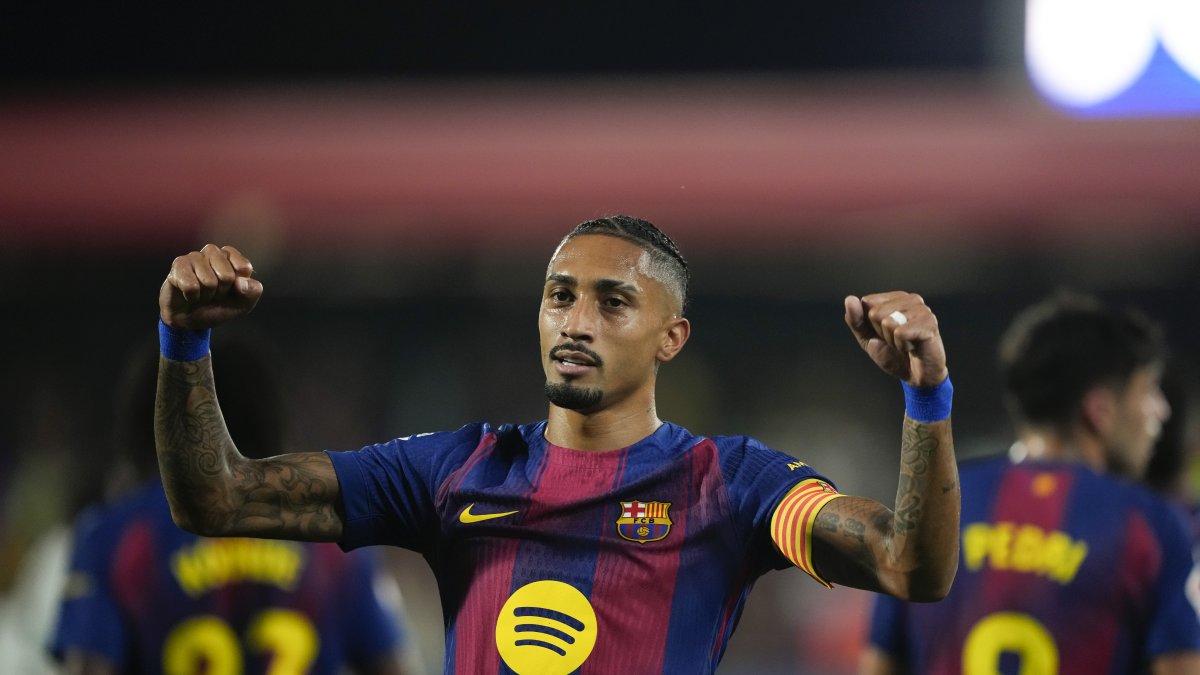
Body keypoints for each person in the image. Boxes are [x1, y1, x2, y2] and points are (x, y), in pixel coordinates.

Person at [154, 214, 960, 674]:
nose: (576, 322)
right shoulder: (455, 470)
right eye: (559, 297)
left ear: (670, 336)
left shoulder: (730, 483)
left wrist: (926, 397)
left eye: (613, 303)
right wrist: (184, 343)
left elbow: (910, 566)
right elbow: (218, 496)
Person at [861, 292, 1200, 675]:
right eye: (1148, 391)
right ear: (1100, 412)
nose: (1161, 410)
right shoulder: (1151, 524)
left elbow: (879, 665)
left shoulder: (930, 507)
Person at [52, 335, 417, 675]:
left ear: (155, 420)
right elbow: (394, 666)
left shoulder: (112, 537)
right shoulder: (334, 541)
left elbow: (89, 666)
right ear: (268, 418)